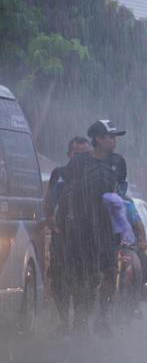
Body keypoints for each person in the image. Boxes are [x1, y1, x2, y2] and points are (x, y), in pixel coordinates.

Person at [60, 120, 128, 337]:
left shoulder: (118, 162)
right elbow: (66, 188)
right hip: (82, 226)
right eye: (110, 137)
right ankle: (81, 318)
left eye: (115, 137)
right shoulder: (79, 162)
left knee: (109, 272)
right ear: (98, 139)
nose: (114, 141)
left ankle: (103, 317)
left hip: (108, 227)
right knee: (85, 274)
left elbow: (122, 187)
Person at [44, 136, 90, 333]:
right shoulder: (60, 174)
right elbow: (49, 203)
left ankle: (80, 323)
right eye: (76, 153)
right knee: (59, 278)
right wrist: (52, 222)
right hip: (62, 237)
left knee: (85, 280)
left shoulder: (94, 175)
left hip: (87, 238)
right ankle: (64, 322)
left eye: (84, 154)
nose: (80, 157)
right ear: (69, 154)